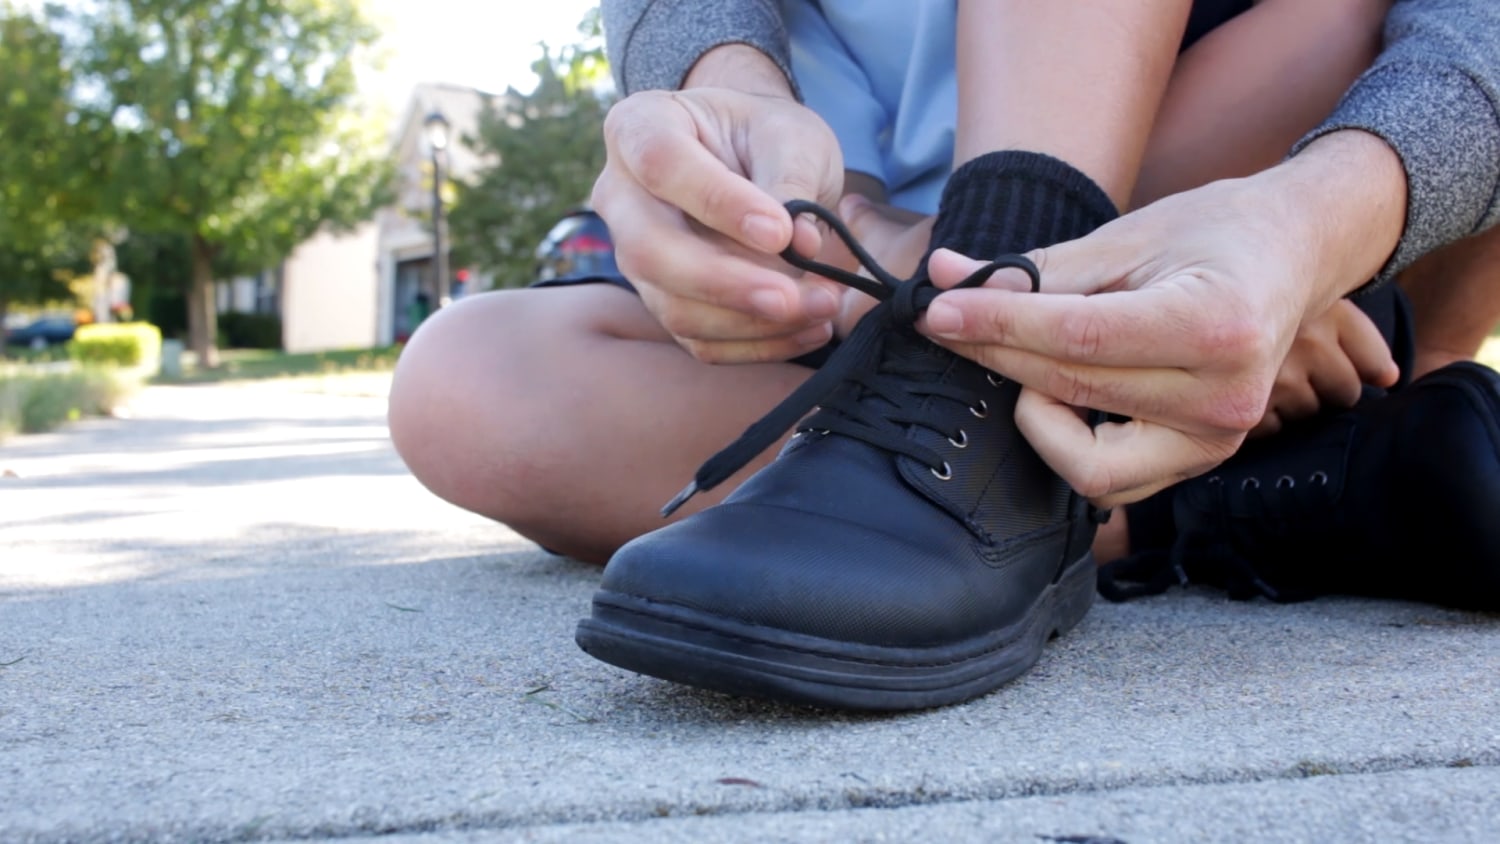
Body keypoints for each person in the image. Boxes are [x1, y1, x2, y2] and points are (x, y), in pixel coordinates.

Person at [389, 0, 1500, 709]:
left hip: (1252, 181)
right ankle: (1286, 489)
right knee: (469, 387)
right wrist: (729, 102)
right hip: (870, 262)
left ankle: (992, 358)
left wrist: (1309, 224)